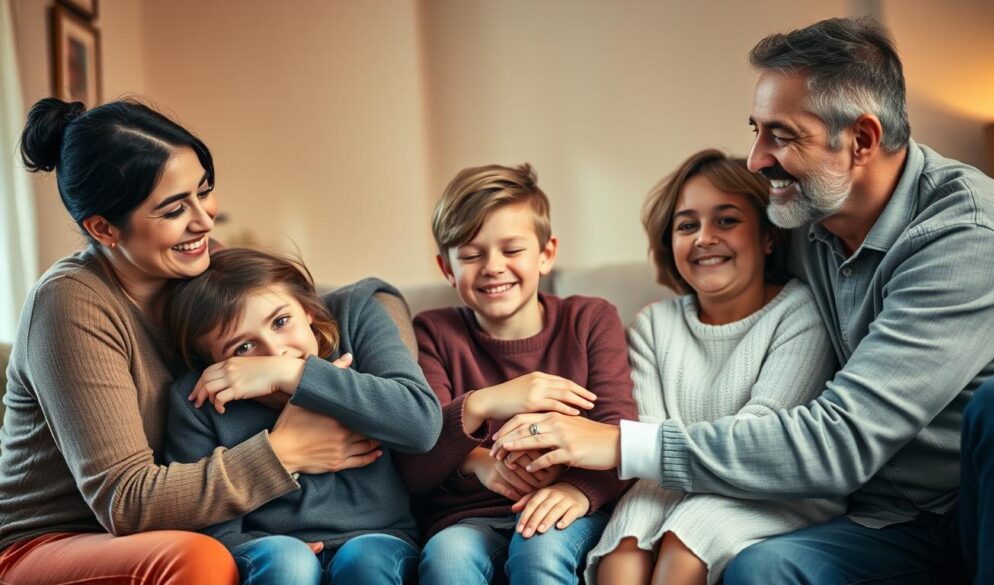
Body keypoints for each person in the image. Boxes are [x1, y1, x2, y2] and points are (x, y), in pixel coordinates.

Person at [490, 18, 994, 585]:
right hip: (885, 519)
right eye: (756, 130)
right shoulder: (806, 216)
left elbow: (841, 439)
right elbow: (721, 262)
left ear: (862, 140)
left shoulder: (967, 235)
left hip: (969, 504)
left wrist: (620, 443)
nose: (755, 159)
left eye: (782, 136)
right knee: (761, 569)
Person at [0, 98, 407, 584]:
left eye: (204, 191)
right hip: (54, 540)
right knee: (204, 559)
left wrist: (381, 309)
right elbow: (124, 502)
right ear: (104, 228)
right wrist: (286, 452)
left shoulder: (198, 263)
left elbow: (297, 303)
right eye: (174, 209)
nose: (204, 221)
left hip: (168, 532)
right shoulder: (69, 304)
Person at [580, 150, 841, 585]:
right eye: (687, 226)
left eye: (726, 220)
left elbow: (762, 436)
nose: (704, 238)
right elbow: (648, 441)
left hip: (777, 488)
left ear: (768, 236)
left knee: (684, 544)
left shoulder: (800, 312)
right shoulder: (652, 326)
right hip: (672, 481)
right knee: (623, 547)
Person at [393, 163, 638, 585]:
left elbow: (619, 433)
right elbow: (417, 462)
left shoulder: (591, 319)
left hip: (569, 506)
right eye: (471, 255)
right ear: (447, 268)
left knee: (539, 548)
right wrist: (481, 429)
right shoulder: (433, 332)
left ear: (546, 254)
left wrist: (577, 490)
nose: (492, 266)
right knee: (448, 558)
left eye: (511, 250)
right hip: (469, 519)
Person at [161, 248, 442, 584]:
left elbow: (421, 424)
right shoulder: (199, 397)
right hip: (271, 549)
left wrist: (294, 374)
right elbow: (209, 528)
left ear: (308, 308)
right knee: (288, 562)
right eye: (243, 348)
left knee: (365, 561)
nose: (275, 352)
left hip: (379, 539)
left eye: (281, 322)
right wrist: (267, 547)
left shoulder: (354, 319)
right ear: (213, 364)